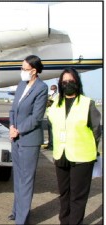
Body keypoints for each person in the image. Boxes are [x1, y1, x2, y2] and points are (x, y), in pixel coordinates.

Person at [48, 67, 101, 225]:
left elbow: (97, 130)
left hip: (82, 157)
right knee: (64, 194)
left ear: (77, 83)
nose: (67, 84)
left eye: (71, 81)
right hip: (61, 155)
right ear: (60, 84)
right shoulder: (55, 103)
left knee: (77, 197)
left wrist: (89, 146)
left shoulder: (87, 104)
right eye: (64, 82)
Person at [9, 55, 48, 225]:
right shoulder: (21, 85)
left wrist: (18, 130)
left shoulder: (41, 88)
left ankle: (22, 219)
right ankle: (16, 211)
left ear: (33, 71)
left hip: (29, 139)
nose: (21, 71)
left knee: (26, 180)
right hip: (16, 138)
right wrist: (11, 126)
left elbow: (36, 117)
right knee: (17, 177)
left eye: (24, 69)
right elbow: (13, 110)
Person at [45, 84, 58, 150]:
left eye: (53, 89)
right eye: (51, 89)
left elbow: (51, 103)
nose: (51, 90)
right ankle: (50, 144)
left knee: (53, 131)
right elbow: (46, 103)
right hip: (49, 115)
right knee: (49, 131)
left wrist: (49, 99)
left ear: (56, 90)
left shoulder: (57, 96)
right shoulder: (50, 96)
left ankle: (53, 145)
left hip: (54, 116)